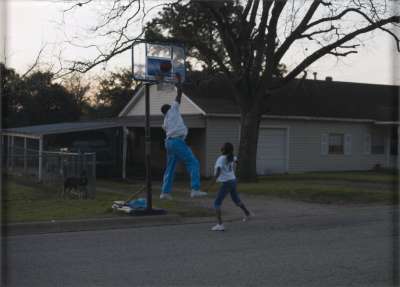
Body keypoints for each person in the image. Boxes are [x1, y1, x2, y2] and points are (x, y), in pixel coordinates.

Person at [159, 74, 207, 200]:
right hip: (177, 142)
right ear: (169, 108)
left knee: (170, 167)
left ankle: (165, 193)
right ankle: (195, 189)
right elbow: (179, 94)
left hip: (169, 143)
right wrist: (179, 82)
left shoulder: (165, 121)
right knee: (193, 162)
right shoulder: (173, 109)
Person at [211, 142, 252, 231]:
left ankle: (220, 224)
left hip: (226, 182)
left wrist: (212, 182)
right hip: (233, 180)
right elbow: (237, 161)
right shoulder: (231, 157)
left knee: (217, 203)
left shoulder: (221, 158)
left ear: (223, 149)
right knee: (236, 200)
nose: (220, 147)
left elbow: (218, 171)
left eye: (222, 146)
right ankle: (247, 213)